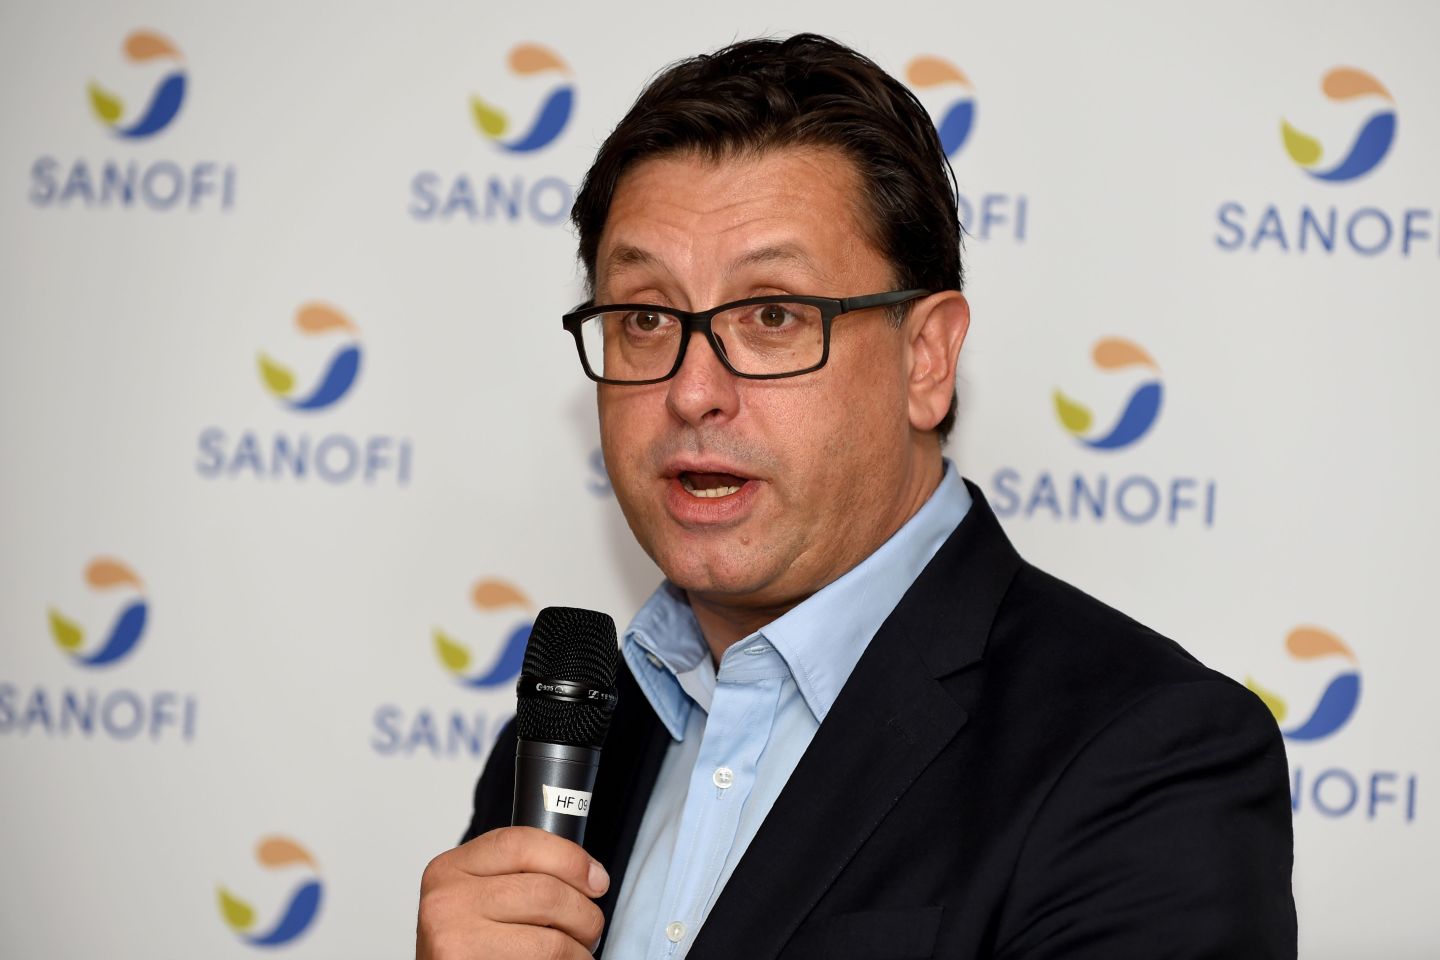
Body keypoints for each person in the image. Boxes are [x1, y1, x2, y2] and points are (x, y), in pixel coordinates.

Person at [417, 34, 1296, 960]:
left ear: (927, 360)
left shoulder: (1147, 755)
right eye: (644, 317)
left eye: (772, 314)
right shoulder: (568, 740)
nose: (691, 391)